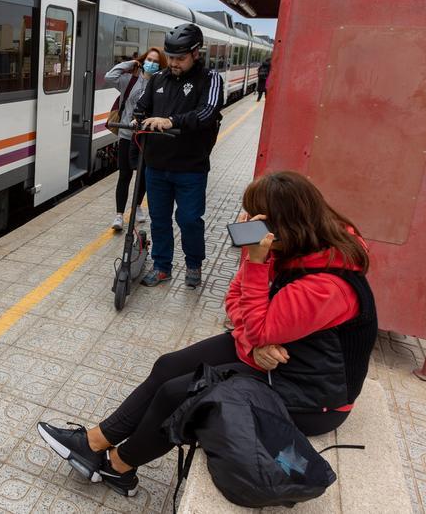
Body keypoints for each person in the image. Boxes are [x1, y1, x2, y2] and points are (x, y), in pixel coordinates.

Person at [37, 171, 377, 496]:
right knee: (168, 366)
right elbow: (234, 301)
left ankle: (118, 466)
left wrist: (256, 267)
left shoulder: (327, 286)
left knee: (178, 394)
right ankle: (95, 441)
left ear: (284, 225)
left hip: (310, 394)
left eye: (257, 218)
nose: (247, 223)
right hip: (277, 356)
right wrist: (253, 340)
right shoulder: (292, 245)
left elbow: (259, 324)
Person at [135, 23, 223, 288]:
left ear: (196, 53)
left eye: (179, 58)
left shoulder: (210, 79)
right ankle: (162, 266)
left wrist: (170, 121)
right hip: (156, 165)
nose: (173, 63)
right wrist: (140, 119)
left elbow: (207, 113)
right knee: (159, 219)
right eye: (170, 57)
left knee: (188, 219)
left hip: (191, 167)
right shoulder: (158, 79)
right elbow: (142, 107)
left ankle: (194, 264)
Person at [103, 47, 164, 230]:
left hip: (147, 137)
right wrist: (131, 63)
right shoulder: (129, 80)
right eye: (149, 60)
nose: (151, 64)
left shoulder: (160, 85)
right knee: (124, 174)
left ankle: (137, 206)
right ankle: (119, 215)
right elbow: (109, 76)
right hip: (126, 134)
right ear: (143, 61)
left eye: (156, 62)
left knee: (143, 175)